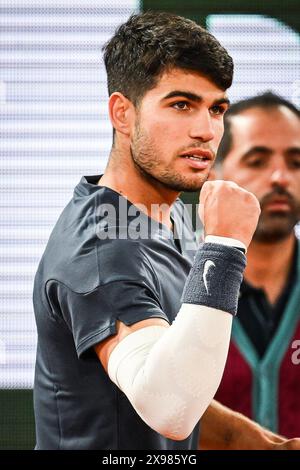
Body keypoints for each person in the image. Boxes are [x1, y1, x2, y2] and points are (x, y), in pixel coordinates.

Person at [32, 12, 299, 450]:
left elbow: (179, 385)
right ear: (123, 113)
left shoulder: (154, 213)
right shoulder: (104, 250)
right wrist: (226, 244)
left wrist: (267, 446)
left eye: (216, 109)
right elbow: (169, 407)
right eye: (181, 105)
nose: (206, 130)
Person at [213, 92, 300, 439]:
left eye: (296, 162)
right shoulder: (168, 289)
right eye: (257, 160)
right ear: (212, 172)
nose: (280, 177)